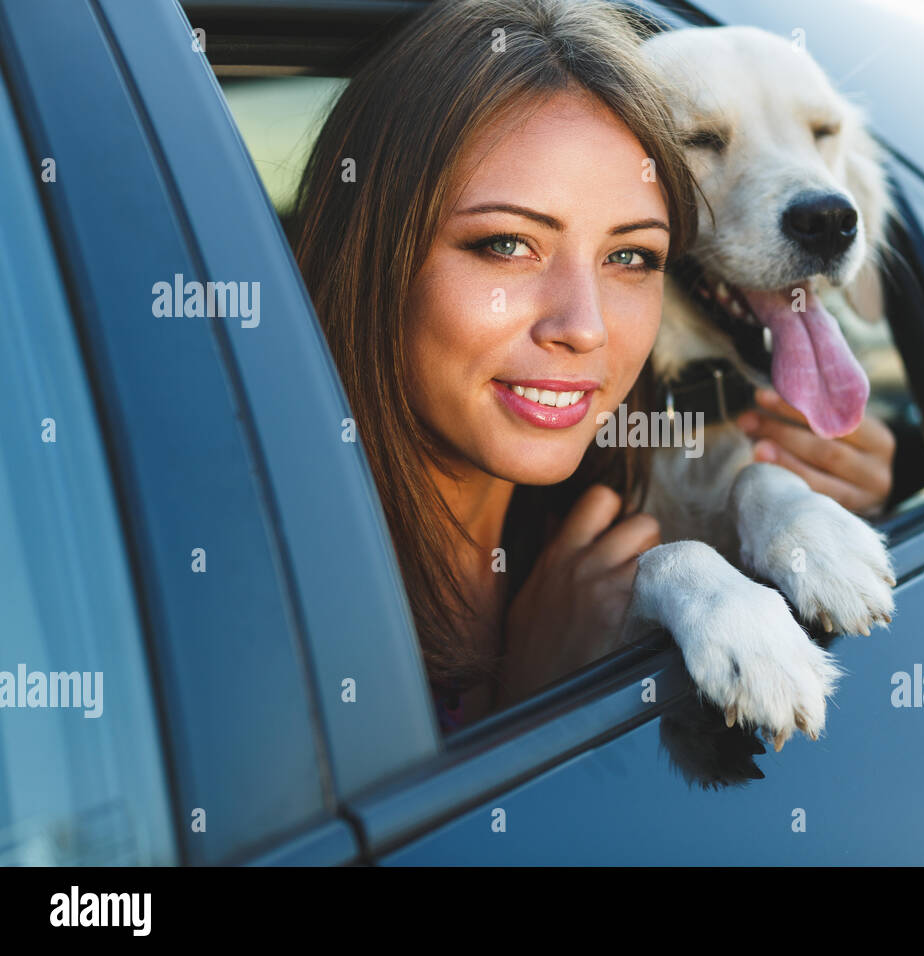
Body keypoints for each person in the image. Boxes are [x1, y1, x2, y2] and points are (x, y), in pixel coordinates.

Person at [291, 0, 893, 734]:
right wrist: (532, 707)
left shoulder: (603, 483)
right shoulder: (276, 591)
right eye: (505, 244)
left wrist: (806, 506)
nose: (585, 327)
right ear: (374, 247)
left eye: (630, 256)